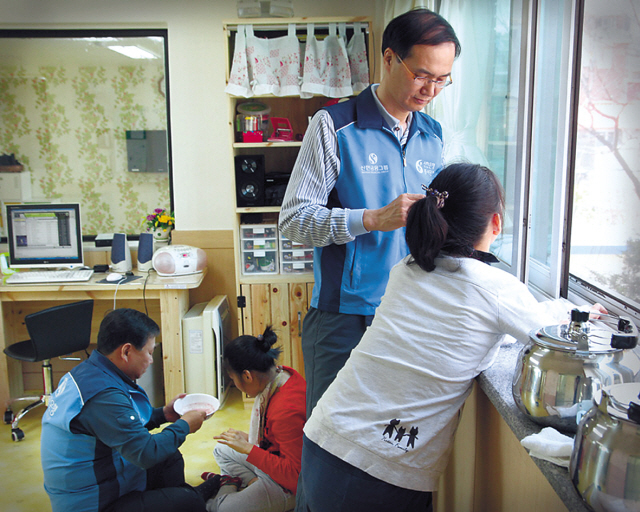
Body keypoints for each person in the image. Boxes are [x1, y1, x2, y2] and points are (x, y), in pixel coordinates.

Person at [294, 163, 607, 511]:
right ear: (496, 223)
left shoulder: (407, 269)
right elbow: (547, 331)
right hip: (379, 466)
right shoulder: (495, 288)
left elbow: (452, 328)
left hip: (326, 432)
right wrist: (579, 313)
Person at [278, 8, 462, 416]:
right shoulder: (334, 125)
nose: (430, 90)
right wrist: (371, 219)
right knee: (330, 442)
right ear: (390, 58)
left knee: (392, 441)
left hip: (410, 315)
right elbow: (293, 220)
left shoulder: (434, 137)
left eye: (441, 79)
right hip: (345, 317)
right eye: (421, 75)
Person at [41, 308, 221, 512]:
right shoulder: (103, 397)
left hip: (104, 474)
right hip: (91, 503)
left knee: (169, 456)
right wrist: (185, 425)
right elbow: (146, 453)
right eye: (150, 352)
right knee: (188, 500)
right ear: (126, 351)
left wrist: (163, 414)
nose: (151, 360)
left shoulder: (91, 372)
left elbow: (121, 426)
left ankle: (181, 498)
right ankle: (189, 500)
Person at [202, 326, 306, 512]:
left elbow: (296, 477)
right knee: (221, 449)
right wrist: (251, 440)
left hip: (294, 486)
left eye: (233, 380)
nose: (235, 384)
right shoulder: (281, 375)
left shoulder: (286, 409)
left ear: (247, 376)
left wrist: (250, 448)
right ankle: (249, 481)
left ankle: (228, 487)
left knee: (222, 509)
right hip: (277, 458)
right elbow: (279, 439)